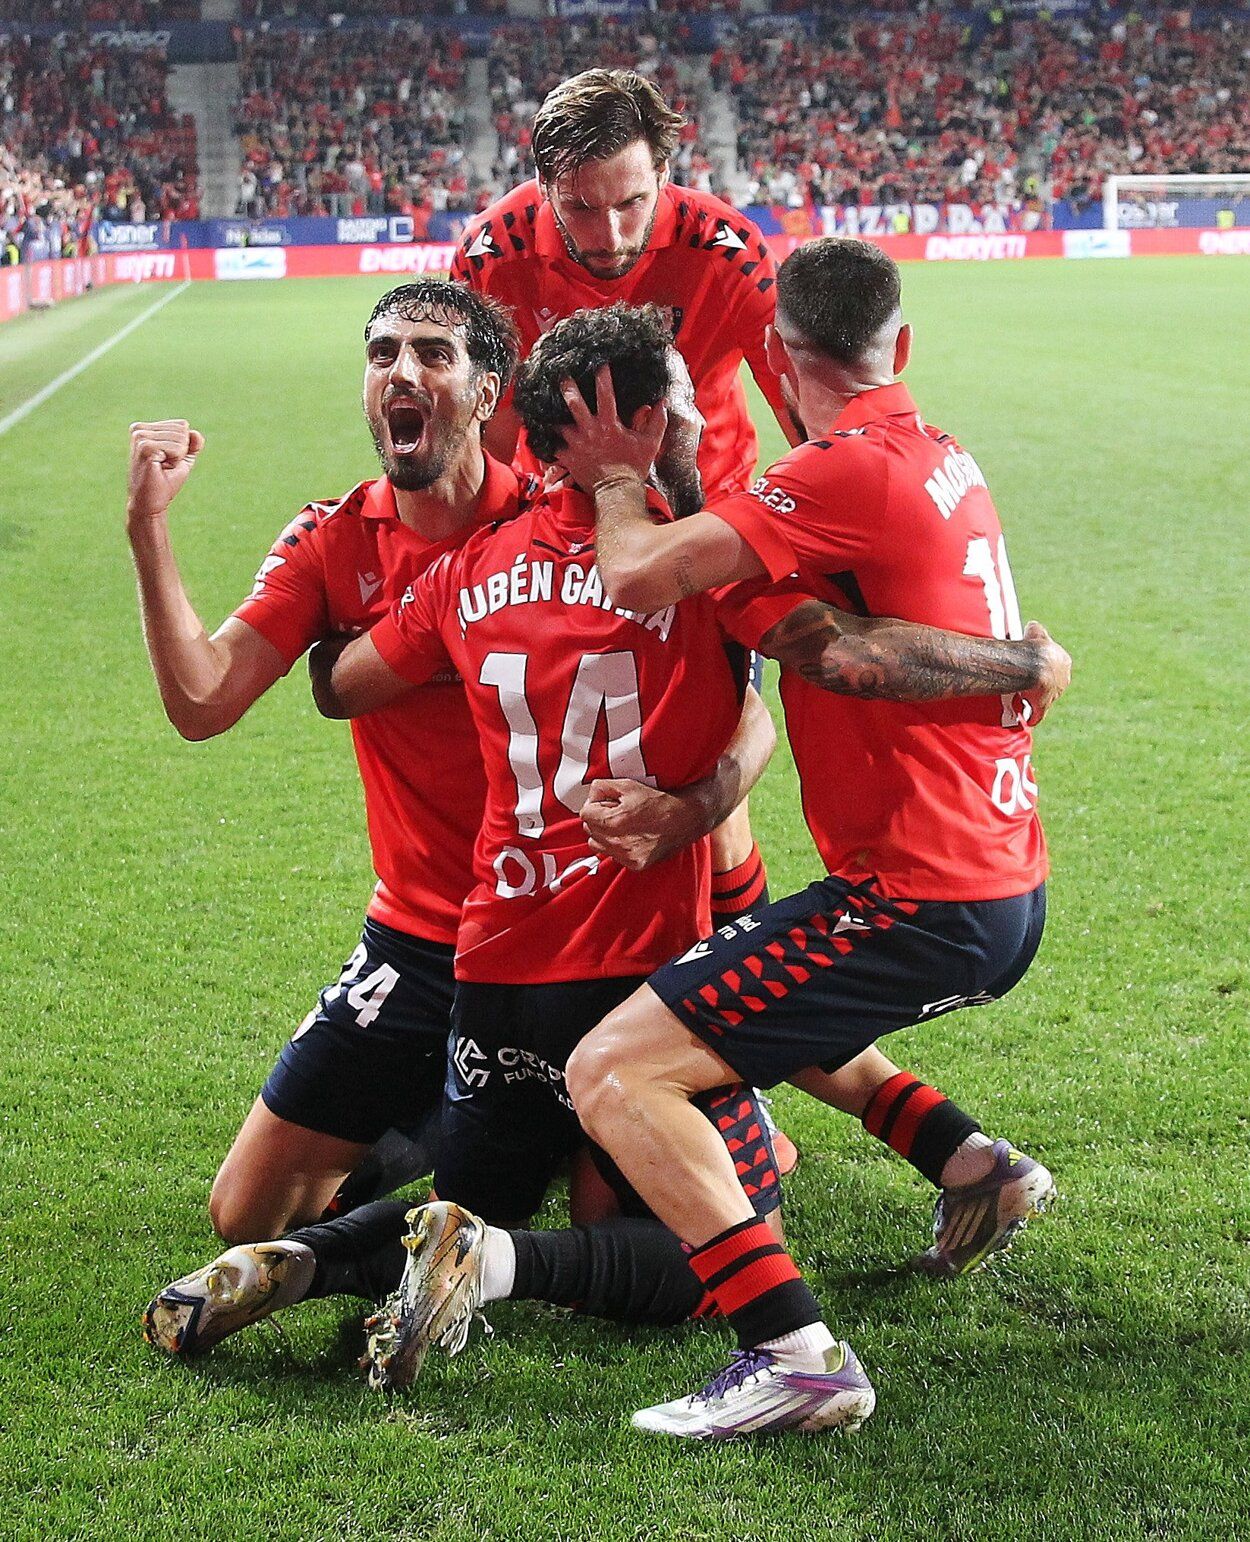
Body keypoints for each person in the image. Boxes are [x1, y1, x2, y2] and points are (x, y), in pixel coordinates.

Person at [144, 302, 1068, 1404]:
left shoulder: (463, 569)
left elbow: (342, 685)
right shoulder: (695, 566)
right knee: (699, 1236)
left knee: (474, 1188)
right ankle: (518, 1262)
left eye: (431, 353)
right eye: (685, 410)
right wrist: (1019, 665)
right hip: (631, 957)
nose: (705, 427)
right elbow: (824, 656)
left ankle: (312, 1259)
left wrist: (354, 641)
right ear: (641, 428)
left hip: (495, 964)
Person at [547, 238, 1071, 1438]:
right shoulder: (936, 454)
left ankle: (794, 1356)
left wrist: (622, 474)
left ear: (778, 360)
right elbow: (819, 631)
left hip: (916, 902)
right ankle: (974, 1168)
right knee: (751, 1005)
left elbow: (639, 575)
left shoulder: (841, 471)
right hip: (992, 882)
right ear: (901, 344)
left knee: (613, 1070)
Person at [125, 280, 766, 1246]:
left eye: (434, 353)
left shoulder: (567, 516)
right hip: (423, 931)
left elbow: (741, 702)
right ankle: (462, 1121)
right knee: (247, 1213)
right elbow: (204, 700)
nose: (402, 371)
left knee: (627, 1226)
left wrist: (700, 809)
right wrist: (149, 528)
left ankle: (663, 1108)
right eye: (383, 354)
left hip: (578, 924)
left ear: (486, 391)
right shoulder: (333, 540)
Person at [451, 67, 800, 943]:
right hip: (555, 544)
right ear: (541, 187)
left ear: (666, 175)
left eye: (632, 203)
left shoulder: (727, 251)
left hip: (697, 529)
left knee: (708, 778)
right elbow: (483, 442)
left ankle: (732, 984)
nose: (609, 235)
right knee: (546, 781)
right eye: (580, 208)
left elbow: (807, 416)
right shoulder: (490, 257)